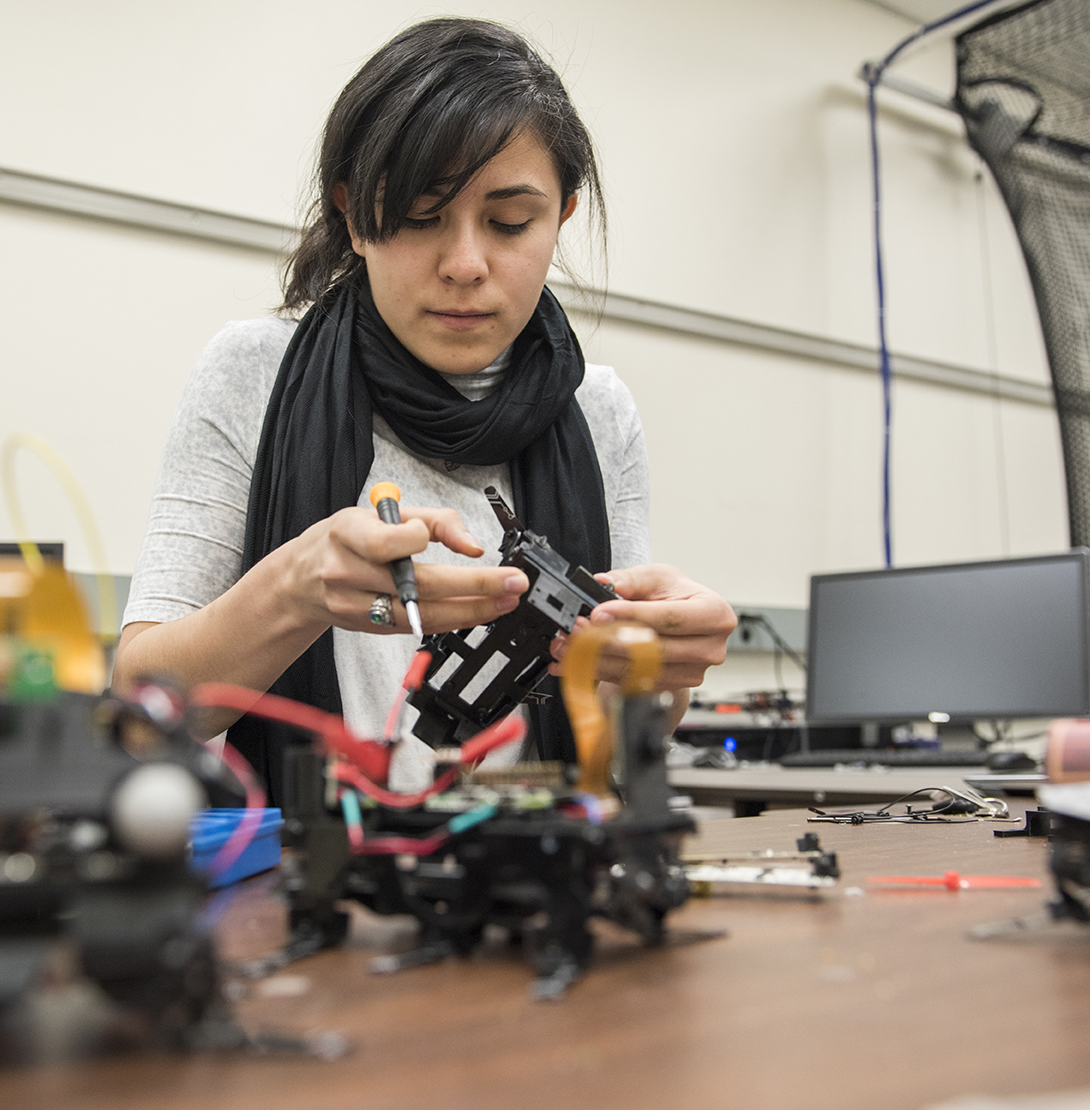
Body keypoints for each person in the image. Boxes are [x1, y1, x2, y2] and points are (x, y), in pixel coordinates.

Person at [114, 17, 734, 802]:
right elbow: (141, 713)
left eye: (511, 223)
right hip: (307, 888)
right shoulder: (254, 372)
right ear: (351, 216)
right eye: (416, 216)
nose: (465, 265)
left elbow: (610, 731)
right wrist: (296, 591)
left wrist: (659, 667)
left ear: (561, 218)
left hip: (528, 878)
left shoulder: (598, 412)